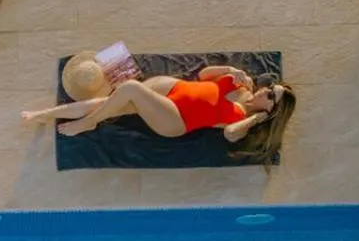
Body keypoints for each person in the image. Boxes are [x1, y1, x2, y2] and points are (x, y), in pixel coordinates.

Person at [21, 52, 297, 164]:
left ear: (271, 110)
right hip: (171, 91)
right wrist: (229, 69)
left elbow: (230, 135)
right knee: (105, 103)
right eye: (271, 87)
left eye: (271, 95)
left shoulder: (241, 118)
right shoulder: (243, 85)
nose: (266, 89)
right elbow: (203, 77)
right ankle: (43, 115)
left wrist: (256, 119)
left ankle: (88, 123)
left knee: (128, 87)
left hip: (174, 119)